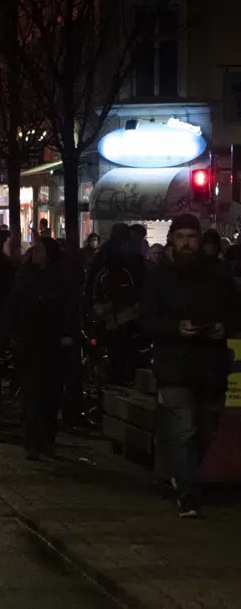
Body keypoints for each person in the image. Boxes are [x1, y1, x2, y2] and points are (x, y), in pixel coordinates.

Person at [142, 214, 236, 517]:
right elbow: (147, 320)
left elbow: (236, 310)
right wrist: (174, 328)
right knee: (183, 430)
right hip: (175, 366)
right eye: (181, 236)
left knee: (205, 430)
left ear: (200, 239)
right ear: (172, 239)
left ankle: (185, 476)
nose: (186, 243)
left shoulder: (218, 274)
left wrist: (224, 326)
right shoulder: (159, 277)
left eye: (191, 237)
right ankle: (187, 493)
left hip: (210, 366)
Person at [0, 237, 79, 460]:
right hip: (31, 343)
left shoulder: (61, 277)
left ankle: (46, 440)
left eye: (41, 251)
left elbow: (70, 309)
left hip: (55, 344)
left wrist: (69, 335)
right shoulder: (24, 277)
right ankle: (33, 441)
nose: (36, 254)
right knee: (33, 393)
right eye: (35, 250)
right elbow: (11, 311)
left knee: (52, 395)